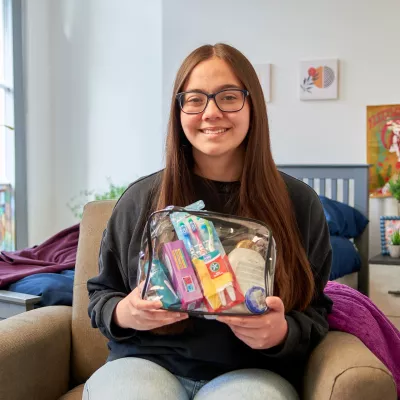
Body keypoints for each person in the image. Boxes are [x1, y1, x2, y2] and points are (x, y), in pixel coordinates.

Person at [84, 43, 332, 400]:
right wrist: (126, 313)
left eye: (228, 97)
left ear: (253, 105)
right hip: (145, 364)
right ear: (179, 110)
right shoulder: (141, 199)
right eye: (195, 99)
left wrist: (281, 332)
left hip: (253, 372)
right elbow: (101, 295)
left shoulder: (299, 203)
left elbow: (317, 310)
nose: (211, 112)